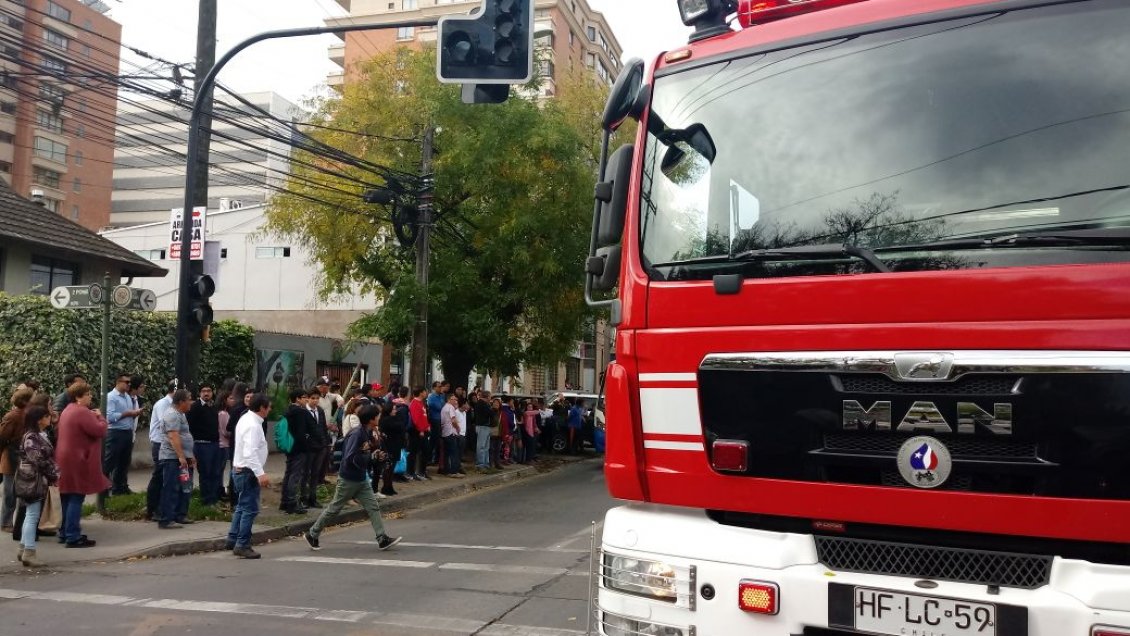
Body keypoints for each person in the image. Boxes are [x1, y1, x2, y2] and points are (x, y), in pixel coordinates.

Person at [303, 405, 401, 552]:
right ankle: (312, 533)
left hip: (361, 478)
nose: (379, 418)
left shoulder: (367, 432)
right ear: (371, 419)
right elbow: (350, 457)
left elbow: (364, 454)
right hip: (349, 478)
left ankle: (382, 538)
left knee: (373, 507)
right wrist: (370, 457)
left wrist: (375, 456)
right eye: (377, 416)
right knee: (334, 508)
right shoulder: (357, 434)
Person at [56, 382, 109, 548]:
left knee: (66, 495)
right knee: (76, 496)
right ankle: (73, 536)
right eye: (87, 394)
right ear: (79, 397)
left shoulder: (67, 410)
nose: (90, 396)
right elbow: (99, 431)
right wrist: (100, 416)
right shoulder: (81, 412)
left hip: (64, 458)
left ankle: (64, 532)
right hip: (77, 459)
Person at [227, 393, 272, 559]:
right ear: (261, 408)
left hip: (242, 469)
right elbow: (250, 452)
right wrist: (260, 474)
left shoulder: (247, 419)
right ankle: (242, 544)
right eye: (269, 406)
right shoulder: (253, 425)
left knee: (241, 506)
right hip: (248, 471)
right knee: (249, 509)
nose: (270, 409)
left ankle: (233, 538)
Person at [16, 405, 57, 568]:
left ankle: (23, 548)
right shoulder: (32, 437)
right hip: (33, 480)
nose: (50, 418)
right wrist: (54, 473)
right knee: (32, 515)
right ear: (40, 419)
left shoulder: (38, 434)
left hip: (32, 478)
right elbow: (38, 459)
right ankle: (29, 552)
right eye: (47, 416)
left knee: (30, 515)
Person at [104, 373, 142, 496]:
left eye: (130, 382)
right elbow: (109, 417)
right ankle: (103, 491)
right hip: (115, 432)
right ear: (118, 382)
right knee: (109, 462)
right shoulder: (111, 397)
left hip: (127, 432)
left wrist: (134, 414)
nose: (129, 384)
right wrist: (127, 413)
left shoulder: (127, 397)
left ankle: (119, 488)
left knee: (124, 462)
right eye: (126, 382)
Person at [0, 387, 33, 531]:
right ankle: (6, 522)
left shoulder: (29, 415)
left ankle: (17, 523)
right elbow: (2, 437)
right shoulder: (12, 416)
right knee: (10, 493)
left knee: (20, 492)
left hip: (23, 457)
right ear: (25, 401)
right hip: (11, 458)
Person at [145, 381, 177, 520]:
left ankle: (162, 508)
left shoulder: (172, 405)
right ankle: (153, 509)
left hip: (166, 444)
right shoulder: (163, 404)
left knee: (165, 477)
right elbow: (167, 426)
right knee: (159, 476)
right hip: (160, 444)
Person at [187, 384, 222, 506]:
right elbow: (188, 426)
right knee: (206, 473)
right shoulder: (195, 407)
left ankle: (214, 498)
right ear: (199, 393)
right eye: (203, 391)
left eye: (208, 391)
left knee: (215, 472)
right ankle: (207, 500)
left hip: (215, 444)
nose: (206, 393)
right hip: (201, 445)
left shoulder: (213, 407)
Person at [280, 389, 311, 515]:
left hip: (289, 446)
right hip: (299, 447)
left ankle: (285, 501)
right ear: (297, 399)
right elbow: (303, 430)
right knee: (295, 475)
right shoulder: (301, 412)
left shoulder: (287, 411)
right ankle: (292, 503)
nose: (307, 400)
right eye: (304, 397)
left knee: (288, 473)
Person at [304, 388, 330, 509]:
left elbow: (323, 428)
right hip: (309, 447)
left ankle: (312, 498)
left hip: (321, 446)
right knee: (306, 473)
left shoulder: (319, 410)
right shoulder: (303, 411)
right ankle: (303, 498)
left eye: (317, 398)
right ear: (308, 398)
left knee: (316, 473)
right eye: (312, 398)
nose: (315, 401)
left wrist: (325, 443)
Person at [407, 387, 430, 480]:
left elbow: (423, 417)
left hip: (424, 430)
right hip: (417, 432)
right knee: (413, 452)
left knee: (424, 451)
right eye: (425, 391)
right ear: (421, 393)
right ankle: (411, 472)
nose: (426, 393)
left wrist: (427, 426)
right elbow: (416, 419)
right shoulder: (415, 403)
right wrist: (420, 430)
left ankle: (421, 471)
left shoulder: (421, 403)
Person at [440, 395, 464, 478]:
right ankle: (454, 471)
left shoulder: (444, 408)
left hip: (444, 432)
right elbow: (453, 420)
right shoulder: (451, 407)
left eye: (456, 400)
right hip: (451, 432)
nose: (456, 401)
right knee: (454, 452)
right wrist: (458, 428)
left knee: (446, 453)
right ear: (449, 399)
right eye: (454, 399)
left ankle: (446, 470)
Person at [473, 391, 493, 469]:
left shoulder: (483, 404)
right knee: (481, 446)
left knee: (486, 446)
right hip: (482, 426)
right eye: (490, 397)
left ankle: (485, 463)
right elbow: (490, 413)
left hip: (485, 426)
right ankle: (480, 464)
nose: (490, 399)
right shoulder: (482, 404)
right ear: (487, 397)